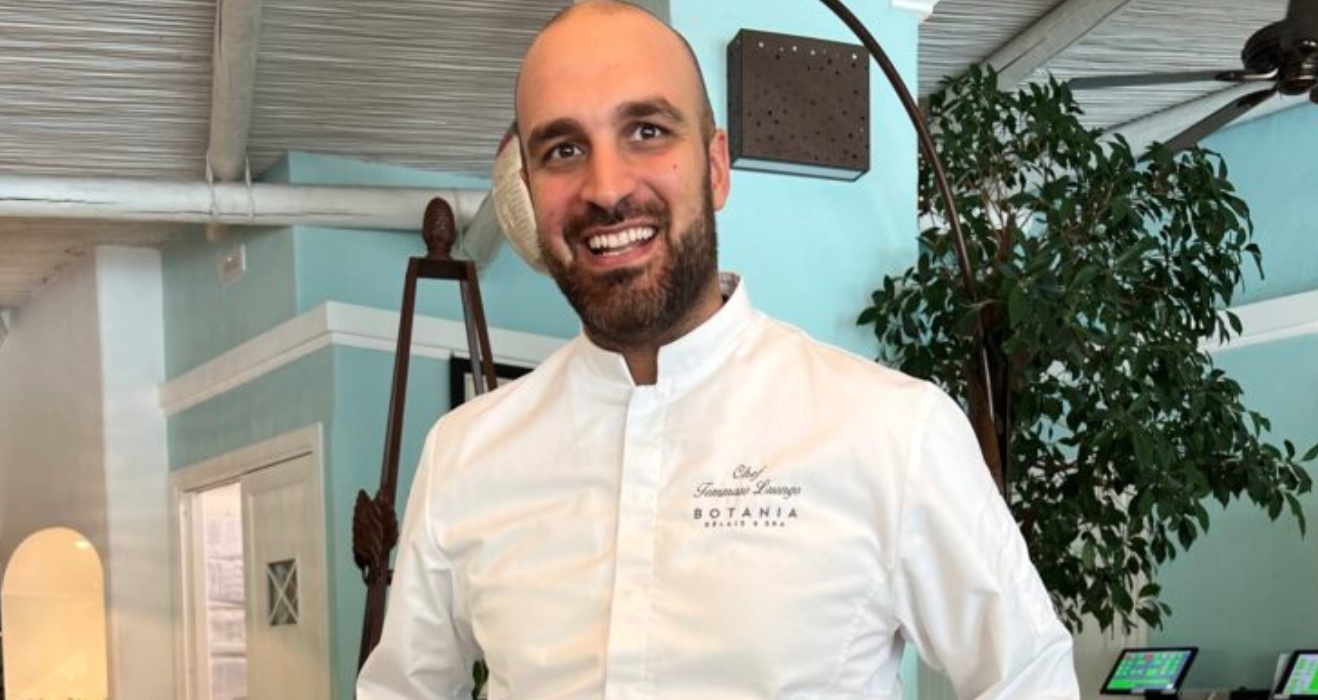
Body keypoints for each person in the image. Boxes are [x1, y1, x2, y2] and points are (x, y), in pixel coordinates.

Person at [357, 2, 1080, 698]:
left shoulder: (893, 433)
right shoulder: (465, 456)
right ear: (531, 191)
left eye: (646, 131)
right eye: (563, 150)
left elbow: (1028, 678)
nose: (606, 188)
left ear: (716, 167)